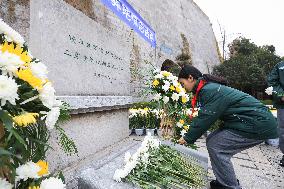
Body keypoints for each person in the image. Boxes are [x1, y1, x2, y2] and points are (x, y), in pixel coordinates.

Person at [177, 65, 278, 189]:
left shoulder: (209, 90)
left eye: (182, 83)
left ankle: (230, 186)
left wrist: (187, 137)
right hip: (253, 122)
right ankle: (224, 180)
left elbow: (206, 116)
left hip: (257, 124)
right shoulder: (208, 88)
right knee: (213, 139)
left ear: (190, 78)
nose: (184, 88)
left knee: (216, 145)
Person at [267, 60, 284, 166]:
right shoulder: (280, 66)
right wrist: (281, 95)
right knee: (283, 130)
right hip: (283, 104)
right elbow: (272, 81)